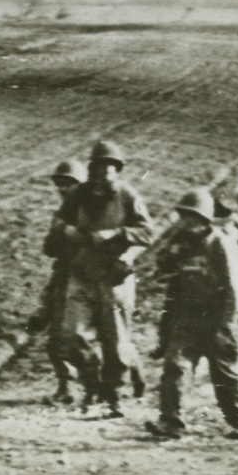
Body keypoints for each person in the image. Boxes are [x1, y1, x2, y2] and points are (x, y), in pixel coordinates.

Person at [50, 141, 153, 416]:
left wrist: (117, 235)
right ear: (92, 169)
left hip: (114, 278)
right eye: (100, 167)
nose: (105, 172)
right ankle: (91, 383)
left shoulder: (127, 196)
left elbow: (146, 232)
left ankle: (114, 396)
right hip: (81, 275)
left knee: (115, 341)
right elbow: (58, 224)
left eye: (111, 167)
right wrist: (68, 231)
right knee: (71, 336)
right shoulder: (78, 195)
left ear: (117, 171)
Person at [147, 188, 238, 439]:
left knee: (225, 371)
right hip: (188, 316)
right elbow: (162, 267)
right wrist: (172, 251)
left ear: (205, 219)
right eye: (184, 217)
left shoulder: (220, 243)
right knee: (175, 365)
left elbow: (233, 286)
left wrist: (228, 322)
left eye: (193, 218)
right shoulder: (182, 243)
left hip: (218, 316)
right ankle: (171, 421)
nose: (188, 223)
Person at [36, 159, 86, 404]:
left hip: (90, 279)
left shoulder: (92, 212)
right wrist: (60, 231)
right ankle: (67, 386)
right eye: (60, 184)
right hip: (64, 276)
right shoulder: (61, 215)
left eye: (69, 184)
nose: (63, 189)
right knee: (56, 334)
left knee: (86, 337)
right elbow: (49, 248)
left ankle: (107, 384)